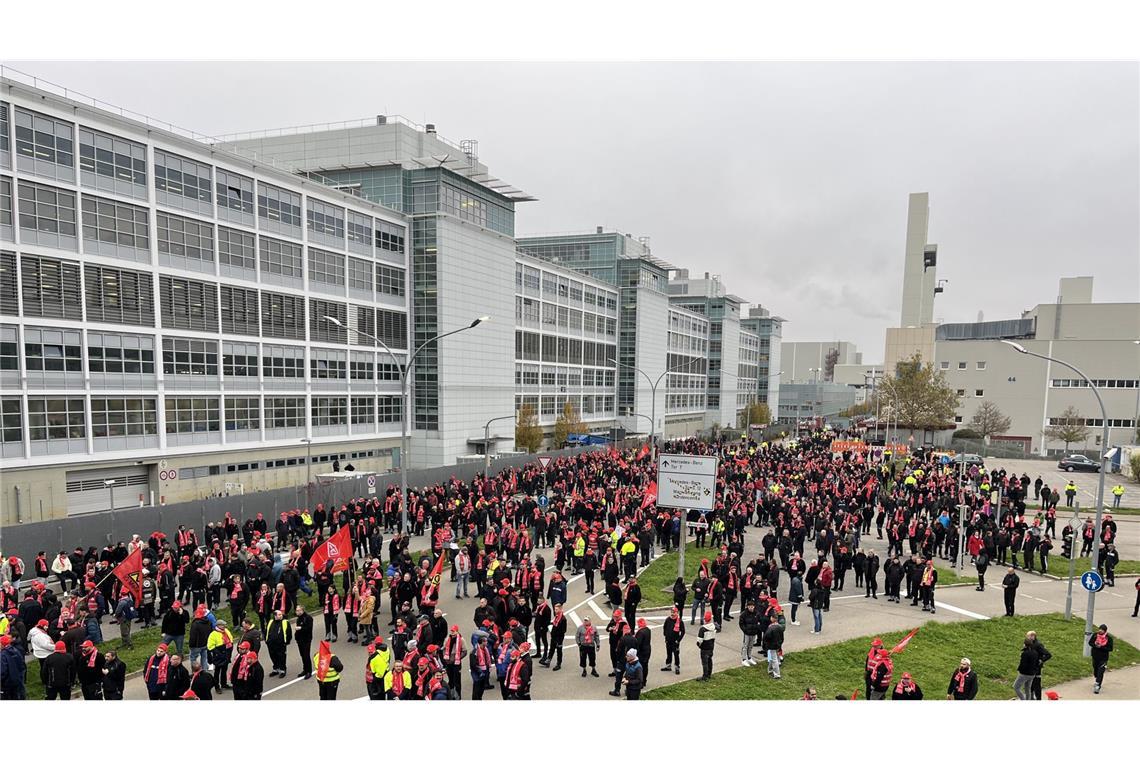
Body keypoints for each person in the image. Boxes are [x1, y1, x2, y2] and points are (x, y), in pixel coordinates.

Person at [1014, 631, 1051, 700]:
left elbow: (1048, 654)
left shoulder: (1038, 645)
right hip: (1031, 668)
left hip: (1036, 668)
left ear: (1033, 636)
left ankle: (1038, 699)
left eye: (1028, 636)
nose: (1027, 638)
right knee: (1030, 686)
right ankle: (1031, 698)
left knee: (1036, 684)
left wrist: (1041, 660)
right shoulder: (1031, 645)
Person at [207, 620, 234, 693]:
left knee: (224, 670)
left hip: (226, 654)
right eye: (222, 625)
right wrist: (219, 654)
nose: (224, 626)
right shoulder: (213, 634)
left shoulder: (226, 631)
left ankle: (224, 684)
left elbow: (231, 639)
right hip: (219, 655)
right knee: (217, 672)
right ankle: (217, 687)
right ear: (218, 625)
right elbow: (210, 646)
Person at [265, 608, 292, 678]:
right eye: (279, 614)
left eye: (281, 614)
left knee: (281, 657)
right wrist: (267, 640)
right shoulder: (270, 622)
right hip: (271, 644)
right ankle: (276, 669)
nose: (280, 616)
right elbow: (266, 631)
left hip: (281, 644)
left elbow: (289, 633)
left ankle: (283, 670)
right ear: (275, 616)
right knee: (273, 656)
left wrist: (287, 642)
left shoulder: (285, 622)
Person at [1089, 624, 1114, 694]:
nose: (1100, 630)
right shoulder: (1095, 635)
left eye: (1102, 630)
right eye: (1099, 629)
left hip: (1103, 658)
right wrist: (1095, 645)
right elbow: (1090, 643)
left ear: (1105, 631)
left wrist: (1101, 647)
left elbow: (1110, 648)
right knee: (1095, 669)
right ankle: (1096, 676)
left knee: (1101, 671)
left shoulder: (1109, 638)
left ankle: (1097, 685)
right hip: (1095, 656)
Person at [0, 634, 26, 700]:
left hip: (7, 684)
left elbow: (2, 672)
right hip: (17, 680)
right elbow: (22, 664)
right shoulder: (16, 650)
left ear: (2, 644)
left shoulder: (2, 655)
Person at [661, 606, 685, 675]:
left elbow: (683, 632)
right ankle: (668, 666)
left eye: (674, 612)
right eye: (672, 612)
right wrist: (665, 637)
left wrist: (678, 640)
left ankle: (677, 667)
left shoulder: (680, 622)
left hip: (675, 641)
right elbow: (664, 628)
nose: (672, 614)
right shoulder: (668, 619)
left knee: (676, 654)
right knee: (668, 653)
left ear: (677, 613)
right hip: (668, 640)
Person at [294, 604, 314, 680]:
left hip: (306, 640)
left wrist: (300, 628)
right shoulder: (298, 618)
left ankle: (309, 671)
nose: (297, 612)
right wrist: (296, 637)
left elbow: (309, 628)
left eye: (299, 610)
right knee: (302, 655)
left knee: (306, 655)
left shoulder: (308, 618)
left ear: (302, 610)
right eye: (296, 610)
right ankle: (305, 669)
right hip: (300, 640)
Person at [696, 611, 717, 681]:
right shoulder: (714, 627)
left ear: (705, 619)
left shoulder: (702, 629)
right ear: (711, 619)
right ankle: (709, 674)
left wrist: (699, 645)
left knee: (704, 663)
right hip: (711, 647)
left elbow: (699, 641)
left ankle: (705, 676)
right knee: (710, 661)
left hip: (704, 648)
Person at [762, 614, 783, 679]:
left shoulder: (770, 627)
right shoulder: (780, 626)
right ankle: (770, 670)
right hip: (777, 644)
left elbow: (766, 636)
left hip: (771, 645)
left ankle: (777, 674)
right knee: (772, 657)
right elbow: (782, 637)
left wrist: (766, 644)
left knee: (774, 660)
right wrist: (780, 643)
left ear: (773, 618)